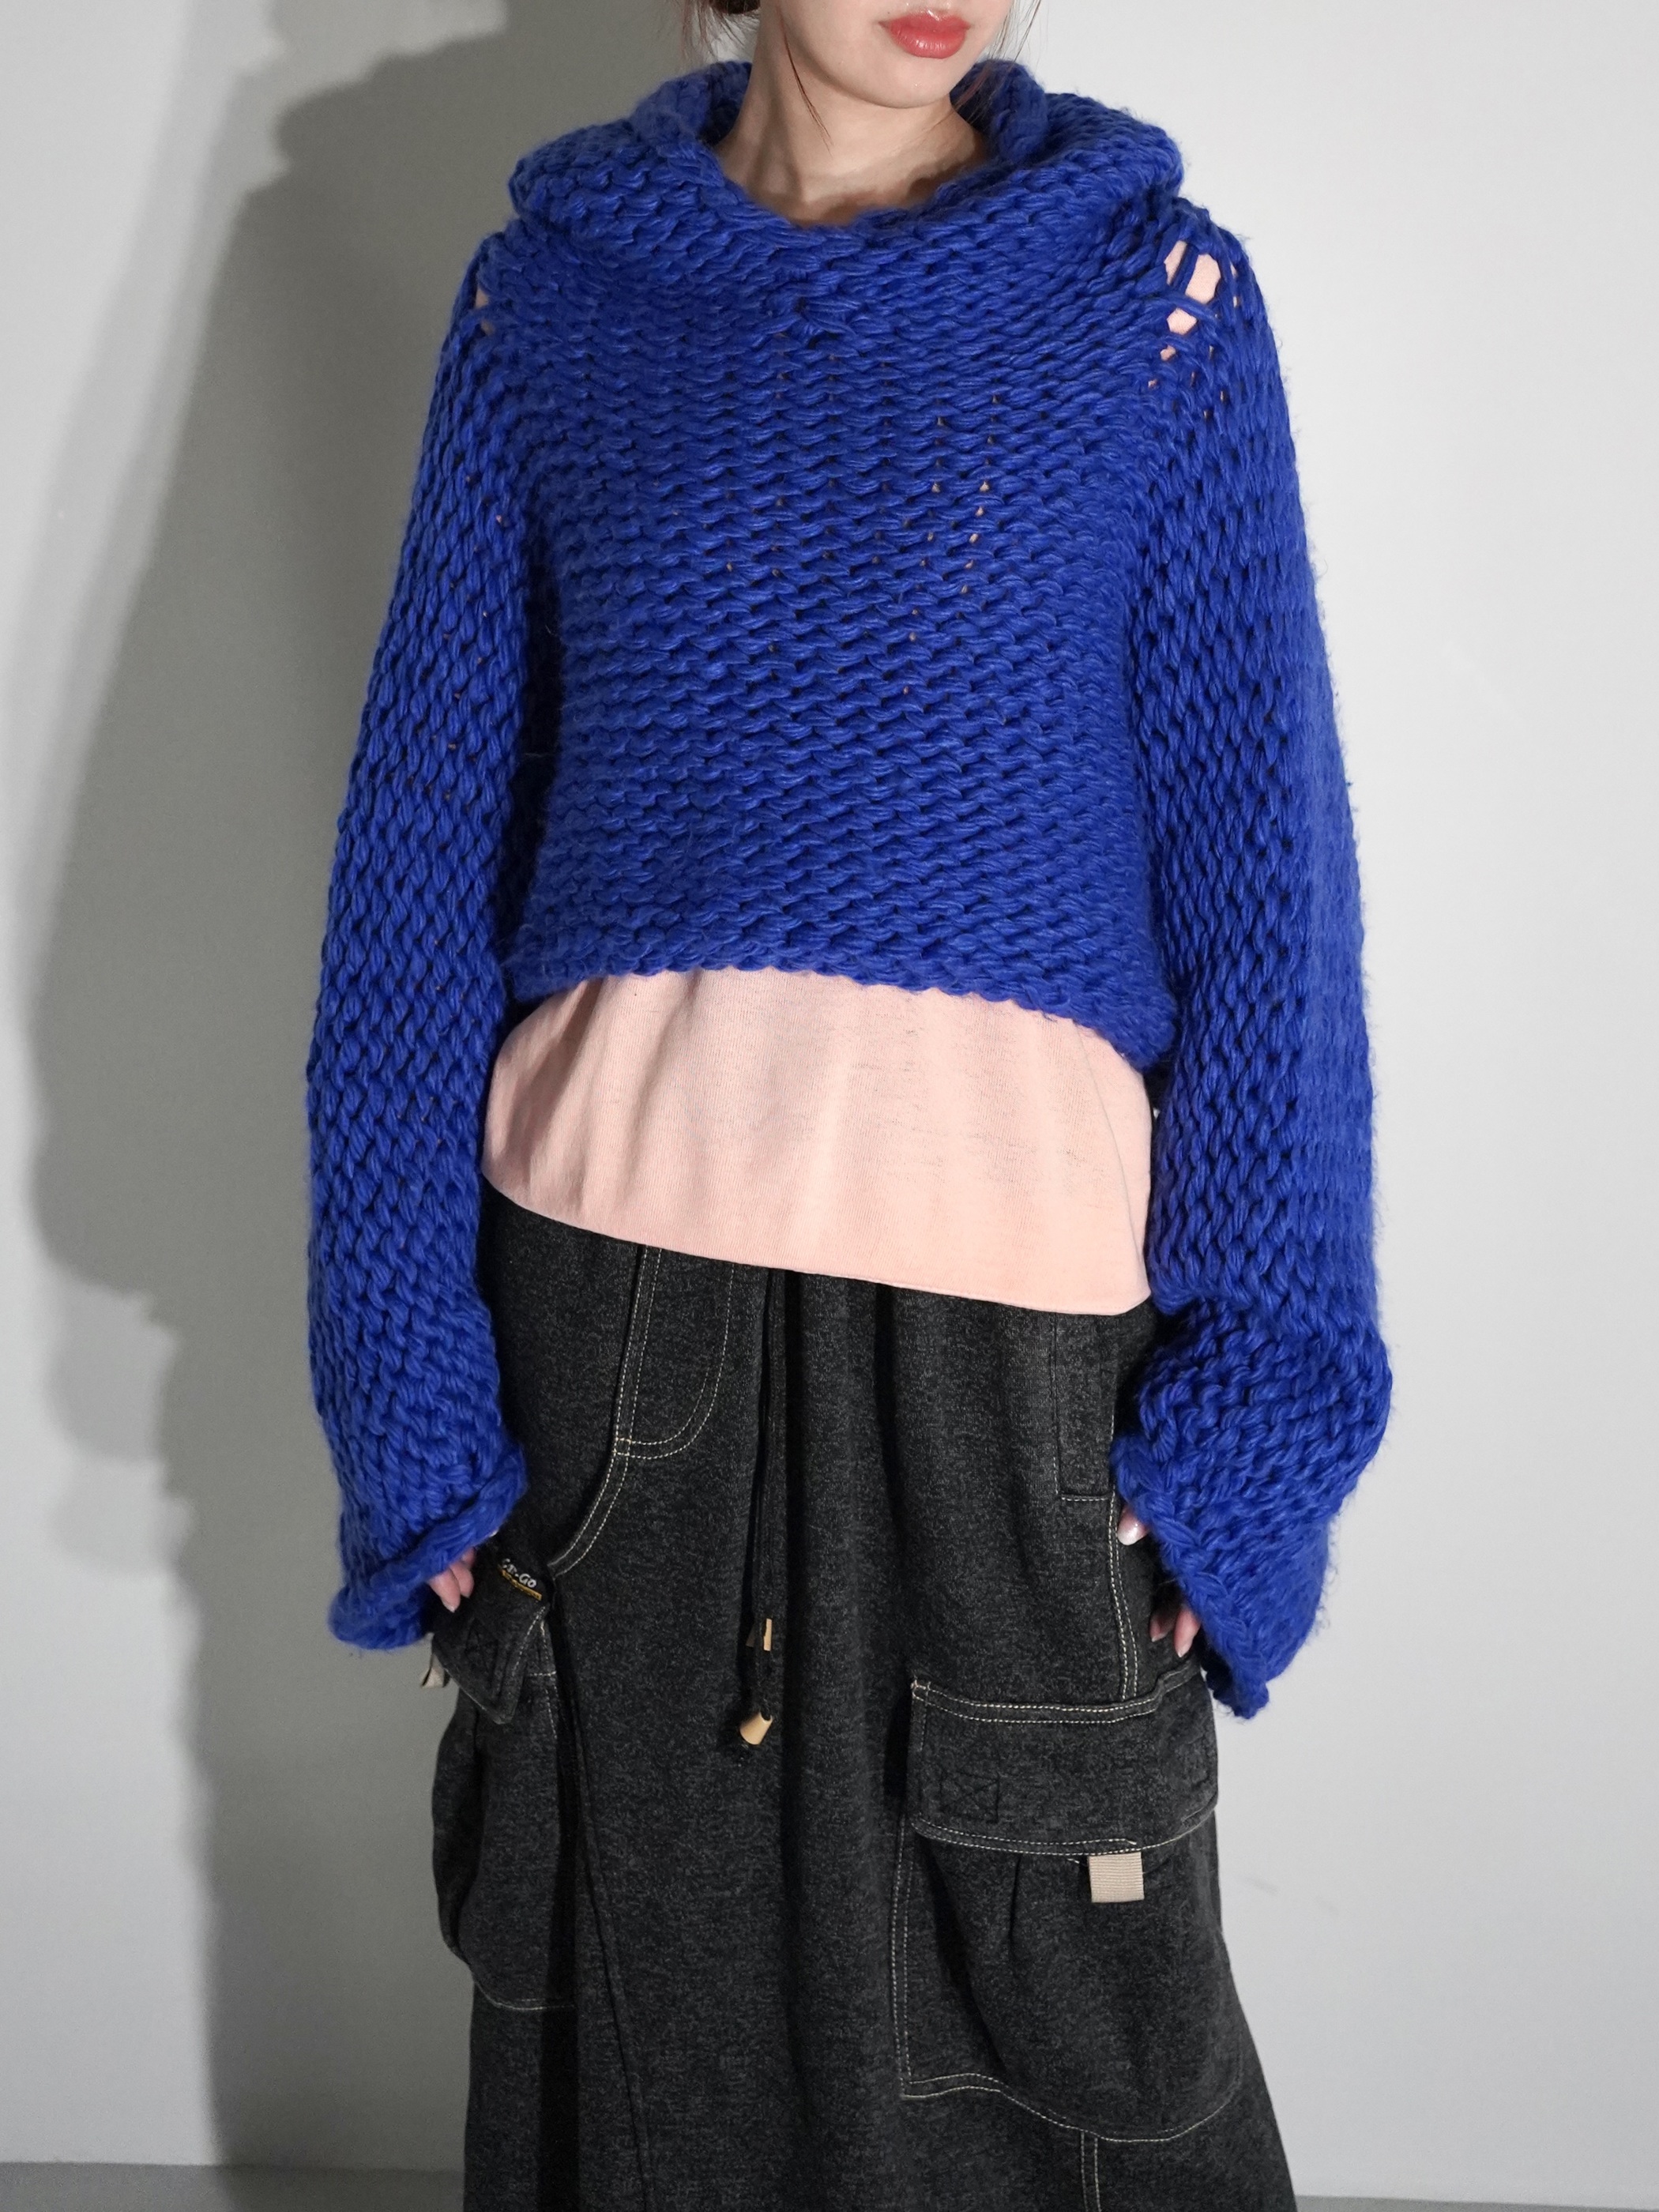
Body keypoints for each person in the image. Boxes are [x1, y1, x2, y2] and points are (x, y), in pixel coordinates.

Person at [305, 2, 1392, 2204]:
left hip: (1022, 1359)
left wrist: (1262, 1406)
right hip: (613, 1339)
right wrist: (404, 1384)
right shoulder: (551, 305)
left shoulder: (1154, 300)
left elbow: (1262, 877)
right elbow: (419, 872)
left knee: (1066, 2047)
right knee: (644, 2055)